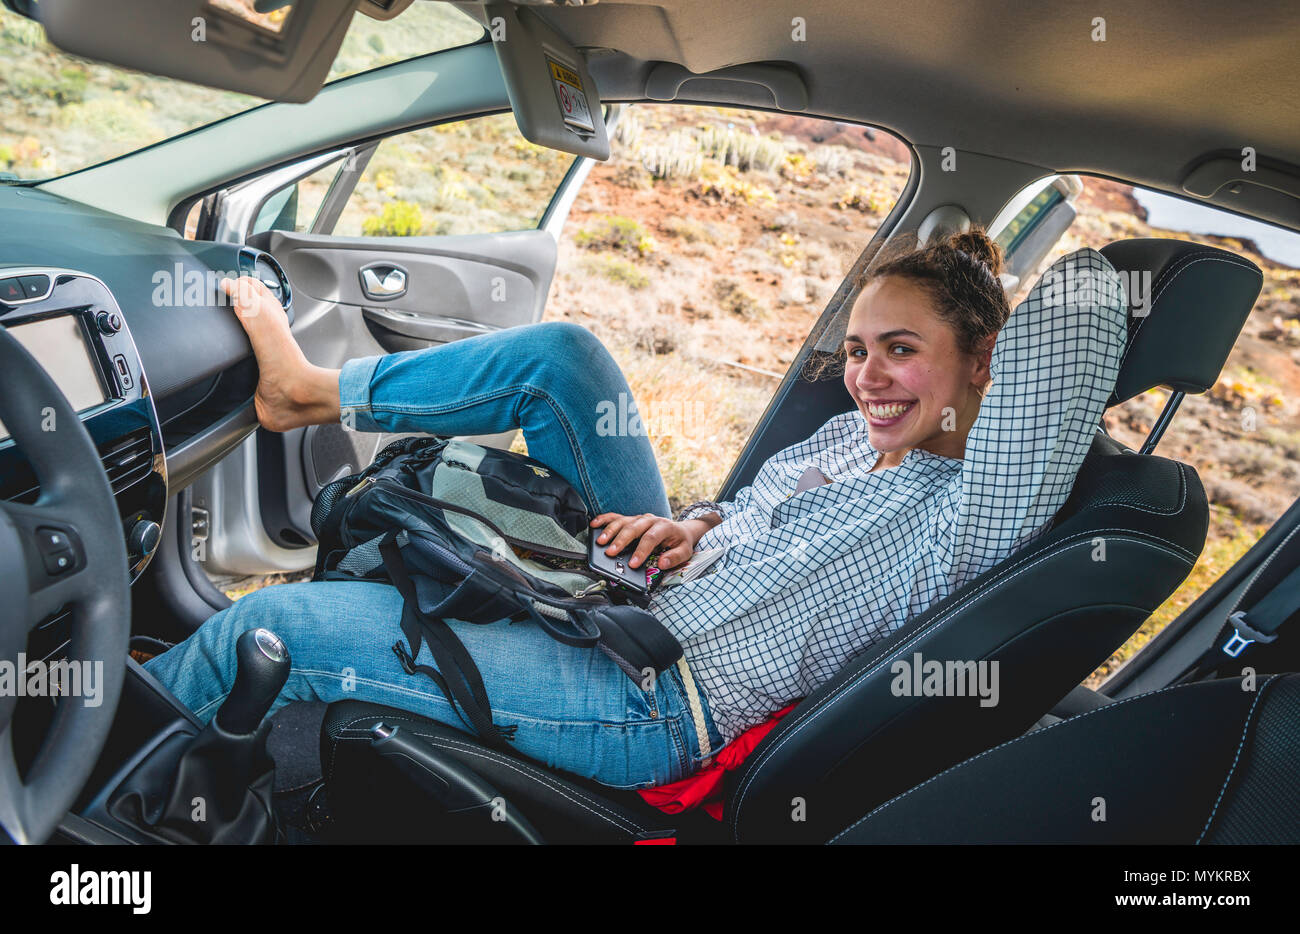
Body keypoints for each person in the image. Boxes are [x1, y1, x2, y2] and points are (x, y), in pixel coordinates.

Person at [144, 227, 1128, 791]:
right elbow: (749, 512)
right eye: (859, 349)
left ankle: (82, 788)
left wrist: (1148, 294)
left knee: (271, 625)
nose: (866, 376)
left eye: (901, 349)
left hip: (652, 697)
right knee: (562, 361)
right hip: (651, 590)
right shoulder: (853, 438)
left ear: (986, 361)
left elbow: (1085, 304)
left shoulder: (971, 512)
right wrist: (693, 527)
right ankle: (307, 391)